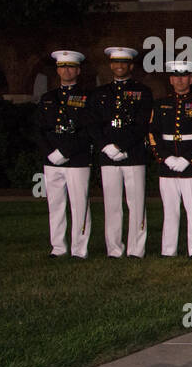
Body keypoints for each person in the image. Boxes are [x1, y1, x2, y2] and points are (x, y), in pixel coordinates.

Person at [87, 46, 152, 258]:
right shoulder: (100, 93)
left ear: (130, 65)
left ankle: (136, 250)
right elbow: (94, 124)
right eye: (116, 62)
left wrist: (121, 146)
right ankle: (114, 249)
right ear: (111, 65)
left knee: (136, 205)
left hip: (133, 155)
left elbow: (142, 124)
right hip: (108, 156)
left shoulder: (143, 91)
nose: (119, 66)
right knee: (112, 205)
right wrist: (107, 146)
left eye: (124, 62)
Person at [148, 59, 192, 257]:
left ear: (191, 79)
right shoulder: (160, 105)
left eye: (184, 76)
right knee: (170, 211)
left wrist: (188, 159)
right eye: (176, 76)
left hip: (191, 166)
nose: (180, 80)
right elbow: (153, 134)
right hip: (167, 165)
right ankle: (169, 250)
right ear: (171, 79)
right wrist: (165, 158)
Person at [36, 50, 93, 258]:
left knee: (80, 206)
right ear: (57, 70)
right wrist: (50, 153)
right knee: (56, 205)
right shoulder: (48, 98)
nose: (66, 70)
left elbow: (88, 130)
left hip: (76, 159)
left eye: (70, 67)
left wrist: (66, 152)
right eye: (62, 67)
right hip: (52, 160)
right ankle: (58, 247)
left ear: (78, 70)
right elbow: (39, 130)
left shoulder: (88, 97)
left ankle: (79, 248)